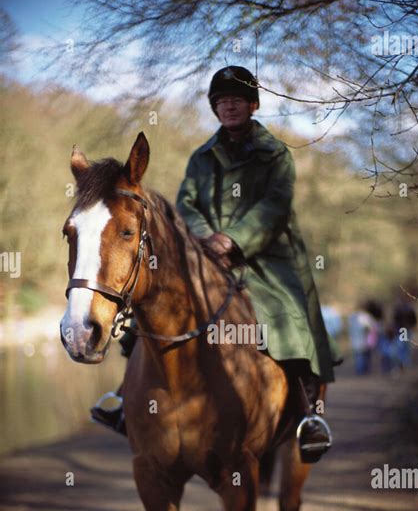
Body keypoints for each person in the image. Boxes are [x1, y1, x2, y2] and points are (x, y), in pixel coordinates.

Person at [92, 65, 342, 462]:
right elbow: (186, 203)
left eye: (237, 100)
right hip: (203, 252)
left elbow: (276, 205)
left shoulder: (276, 154)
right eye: (222, 101)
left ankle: (308, 415)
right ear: (215, 108)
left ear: (253, 105)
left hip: (265, 256)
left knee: (287, 315)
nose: (229, 106)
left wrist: (234, 239)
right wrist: (207, 237)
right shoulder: (201, 157)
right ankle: (126, 401)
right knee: (152, 310)